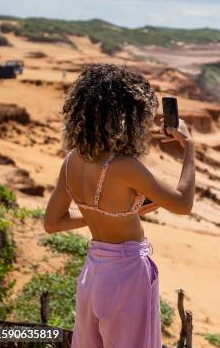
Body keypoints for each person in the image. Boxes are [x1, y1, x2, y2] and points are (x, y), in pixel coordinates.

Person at [44, 63, 195, 348]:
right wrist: (189, 148)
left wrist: (111, 215)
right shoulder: (126, 167)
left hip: (93, 274)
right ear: (128, 117)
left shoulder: (72, 161)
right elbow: (183, 203)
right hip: (127, 275)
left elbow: (53, 223)